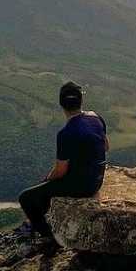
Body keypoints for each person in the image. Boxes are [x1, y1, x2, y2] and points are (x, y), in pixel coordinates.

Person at [15, 81, 108, 239]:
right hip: (97, 181)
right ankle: (42, 223)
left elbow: (60, 171)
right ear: (81, 101)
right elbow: (105, 146)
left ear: (61, 104)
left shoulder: (66, 133)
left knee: (26, 197)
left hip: (82, 187)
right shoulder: (95, 117)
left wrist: (46, 180)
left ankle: (48, 237)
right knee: (46, 190)